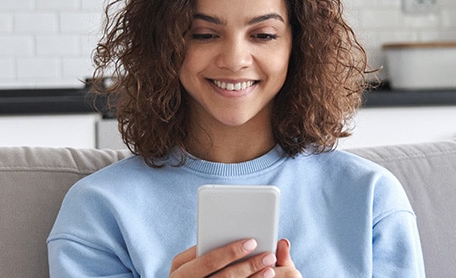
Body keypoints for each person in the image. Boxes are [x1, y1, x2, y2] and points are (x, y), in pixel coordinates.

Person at [47, 0, 425, 276]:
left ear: (299, 45)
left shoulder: (371, 199)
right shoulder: (100, 209)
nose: (234, 59)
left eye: (263, 35)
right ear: (164, 44)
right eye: (204, 34)